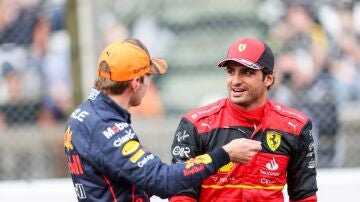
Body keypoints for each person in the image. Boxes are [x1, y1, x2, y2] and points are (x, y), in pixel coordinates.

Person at [63, 38, 262, 201]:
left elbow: (135, 180)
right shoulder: (105, 126)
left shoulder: (86, 115)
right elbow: (163, 182)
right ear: (135, 82)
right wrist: (224, 154)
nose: (149, 84)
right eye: (148, 76)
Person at [170, 37, 318, 202]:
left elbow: (304, 196)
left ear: (268, 79)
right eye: (231, 71)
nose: (235, 81)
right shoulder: (196, 124)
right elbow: (181, 195)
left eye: (247, 72)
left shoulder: (296, 127)